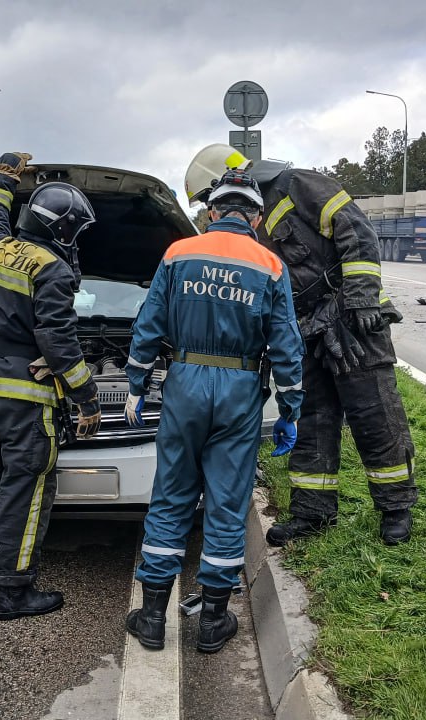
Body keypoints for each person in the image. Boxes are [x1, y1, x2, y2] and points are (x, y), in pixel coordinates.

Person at [185, 145, 417, 548]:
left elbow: (357, 231)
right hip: (304, 328)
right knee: (312, 419)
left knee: (374, 413)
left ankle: (396, 508)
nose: (214, 207)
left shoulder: (298, 185)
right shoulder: (245, 225)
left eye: (210, 196)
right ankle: (313, 512)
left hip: (353, 318)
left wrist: (362, 297)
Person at [123, 169, 304, 654]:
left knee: (171, 496)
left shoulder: (179, 253)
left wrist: (136, 385)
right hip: (239, 389)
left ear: (211, 212)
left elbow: (148, 325)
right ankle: (213, 622)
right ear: (257, 218)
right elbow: (286, 346)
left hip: (184, 383)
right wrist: (290, 409)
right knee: (226, 501)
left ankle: (152, 619)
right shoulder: (270, 265)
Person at [0, 152, 103, 620]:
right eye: (75, 230)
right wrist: (86, 398)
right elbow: (57, 341)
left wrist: (3, 178)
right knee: (27, 490)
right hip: (24, 395)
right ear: (61, 229)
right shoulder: (52, 268)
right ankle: (13, 592)